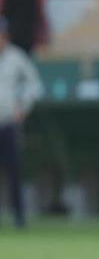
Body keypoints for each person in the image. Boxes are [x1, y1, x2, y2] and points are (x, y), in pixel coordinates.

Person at [0, 15, 43, 228]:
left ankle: (19, 217)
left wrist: (23, 108)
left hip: (8, 122)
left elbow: (34, 85)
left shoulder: (16, 57)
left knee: (14, 170)